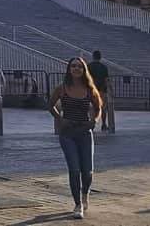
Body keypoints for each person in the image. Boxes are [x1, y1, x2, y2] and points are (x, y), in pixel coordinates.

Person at [49, 57, 103, 220]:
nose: (76, 69)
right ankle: (77, 204)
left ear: (84, 69)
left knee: (87, 171)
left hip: (84, 133)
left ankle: (85, 193)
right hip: (68, 134)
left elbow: (98, 108)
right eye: (73, 66)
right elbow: (50, 105)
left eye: (79, 66)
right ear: (69, 69)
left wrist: (94, 121)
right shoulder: (62, 88)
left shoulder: (89, 88)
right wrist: (61, 119)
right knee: (74, 169)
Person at [87, 50, 111, 131]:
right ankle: (104, 124)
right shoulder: (104, 67)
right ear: (100, 57)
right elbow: (106, 80)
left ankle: (92, 125)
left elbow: (87, 78)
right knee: (103, 108)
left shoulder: (89, 66)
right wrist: (109, 89)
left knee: (92, 107)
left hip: (92, 90)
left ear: (93, 56)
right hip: (102, 90)